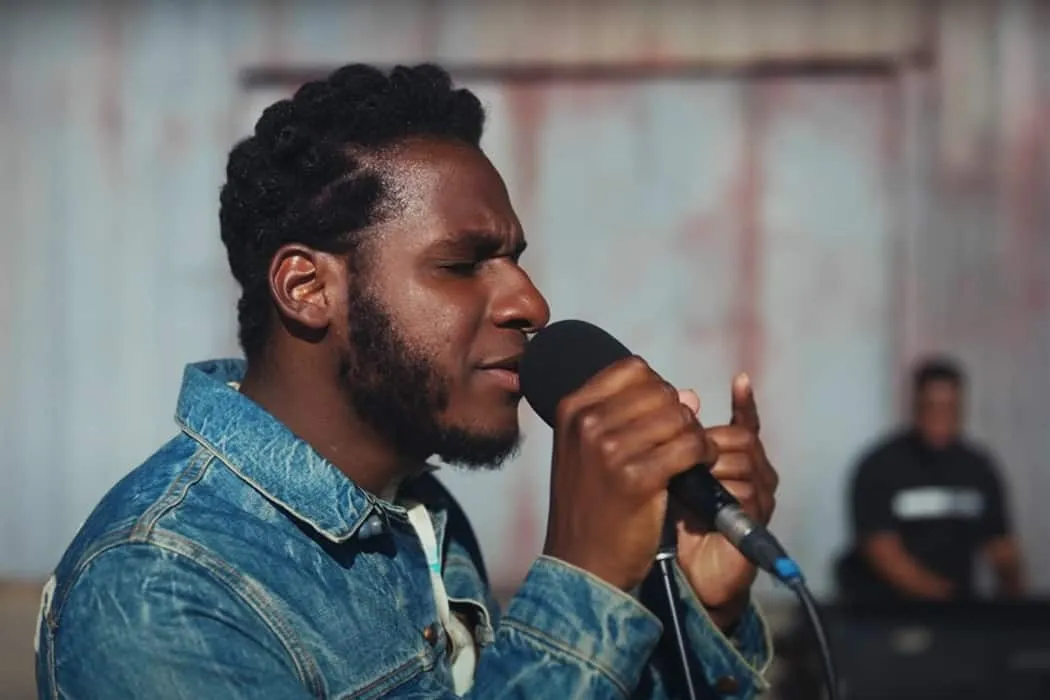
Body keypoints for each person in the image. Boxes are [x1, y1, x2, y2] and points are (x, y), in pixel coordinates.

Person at [35, 63, 778, 698]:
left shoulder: (412, 510)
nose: (530, 303)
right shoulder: (159, 586)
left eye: (515, 258)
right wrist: (583, 577)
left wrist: (698, 611)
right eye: (461, 264)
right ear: (306, 287)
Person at [838, 357, 1024, 602]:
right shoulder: (880, 466)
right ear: (915, 406)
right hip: (887, 611)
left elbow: (1001, 546)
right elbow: (881, 550)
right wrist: (943, 598)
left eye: (949, 409)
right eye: (931, 407)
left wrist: (1012, 602)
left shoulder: (978, 468)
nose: (940, 418)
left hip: (959, 611)